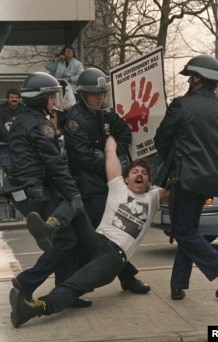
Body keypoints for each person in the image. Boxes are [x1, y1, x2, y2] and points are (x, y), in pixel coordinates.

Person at [9, 135, 169, 328]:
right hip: (95, 240)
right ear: (126, 178)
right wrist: (110, 133)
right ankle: (51, 226)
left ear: (149, 181)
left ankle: (33, 309)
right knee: (76, 201)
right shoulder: (118, 186)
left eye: (144, 173)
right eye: (135, 171)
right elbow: (110, 151)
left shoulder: (152, 199)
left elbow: (174, 186)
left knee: (75, 284)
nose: (139, 175)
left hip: (113, 257)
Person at [154, 55, 218, 301]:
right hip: (209, 181)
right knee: (190, 230)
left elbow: (161, 138)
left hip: (185, 178)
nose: (189, 81)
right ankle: (178, 284)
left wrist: (167, 158)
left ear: (197, 78)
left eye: (190, 76)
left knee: (183, 231)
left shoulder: (181, 105)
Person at [0, 72, 90, 308]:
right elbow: (55, 165)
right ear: (41, 99)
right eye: (51, 97)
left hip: (24, 191)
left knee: (64, 238)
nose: (54, 102)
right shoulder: (41, 126)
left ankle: (65, 292)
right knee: (67, 240)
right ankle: (26, 282)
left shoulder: (21, 119)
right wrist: (74, 195)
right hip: (36, 192)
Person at [62, 67, 151, 294]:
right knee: (100, 237)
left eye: (102, 92)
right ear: (83, 94)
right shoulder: (74, 120)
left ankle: (83, 284)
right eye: (95, 93)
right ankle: (79, 284)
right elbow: (83, 158)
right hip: (90, 187)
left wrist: (113, 152)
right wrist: (111, 161)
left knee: (108, 236)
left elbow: (124, 133)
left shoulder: (106, 114)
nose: (100, 97)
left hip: (108, 184)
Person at [0, 88, 25, 173]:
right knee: (9, 168)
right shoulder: (1, 109)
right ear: (8, 98)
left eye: (16, 97)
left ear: (19, 99)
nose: (14, 99)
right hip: (5, 145)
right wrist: (9, 138)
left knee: (21, 167)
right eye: (12, 97)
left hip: (21, 144)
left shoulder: (24, 109)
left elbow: (25, 125)